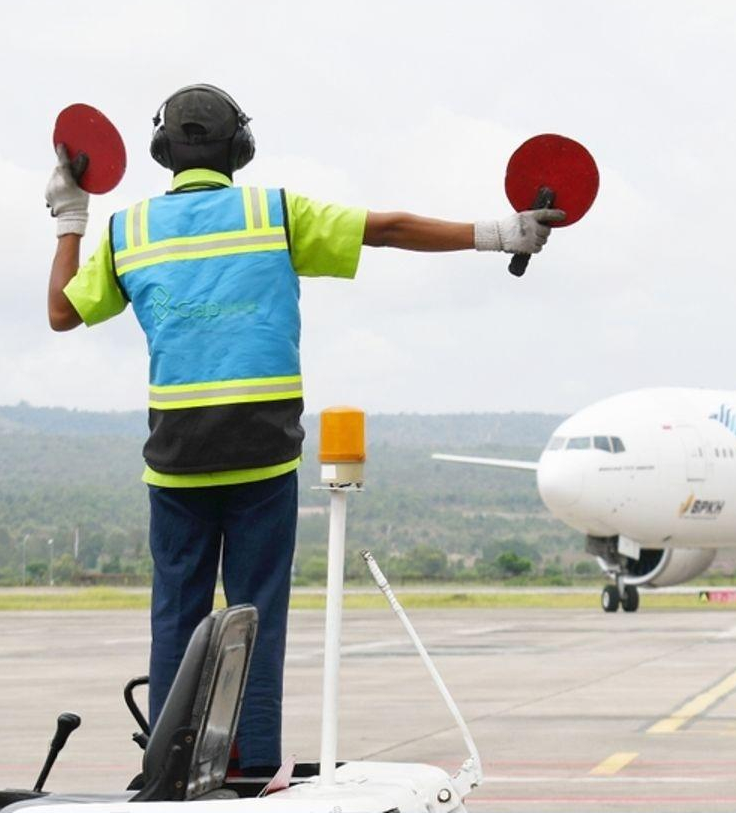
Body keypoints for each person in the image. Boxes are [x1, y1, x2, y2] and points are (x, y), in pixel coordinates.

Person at [43, 83, 562, 773]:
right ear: (240, 148)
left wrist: (70, 215)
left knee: (176, 616)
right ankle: (253, 766)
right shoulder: (275, 213)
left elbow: (61, 313)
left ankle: (167, 767)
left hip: (176, 460)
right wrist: (500, 233)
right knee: (257, 614)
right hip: (261, 457)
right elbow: (389, 228)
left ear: (163, 151)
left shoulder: (128, 230)